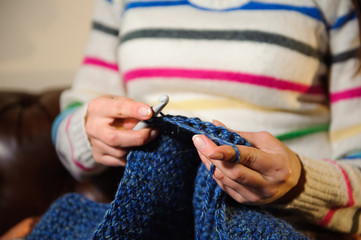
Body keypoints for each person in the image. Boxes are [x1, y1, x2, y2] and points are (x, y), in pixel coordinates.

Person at [52, 0, 361, 236]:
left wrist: (300, 182)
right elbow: (75, 124)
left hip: (290, 221)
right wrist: (87, 133)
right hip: (152, 219)